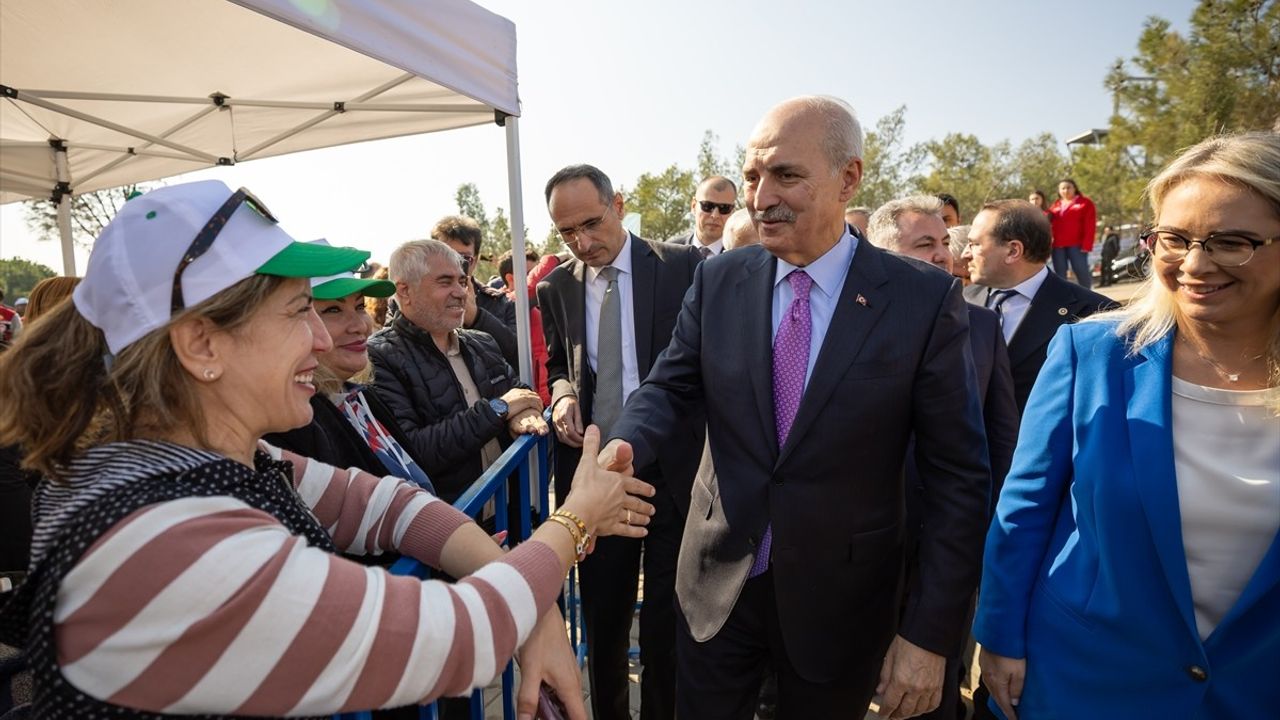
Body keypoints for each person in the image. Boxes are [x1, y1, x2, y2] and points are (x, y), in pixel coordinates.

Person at [0, 180, 656, 719]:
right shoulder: (167, 542)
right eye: (296, 312)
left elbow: (383, 503)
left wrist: (534, 609)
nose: (323, 339)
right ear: (202, 344)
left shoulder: (194, 461)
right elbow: (459, 630)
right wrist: (574, 520)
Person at [598, 96, 990, 720]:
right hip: (716, 586)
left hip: (842, 604)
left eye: (786, 175)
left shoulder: (922, 300)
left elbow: (958, 478)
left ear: (849, 178)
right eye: (752, 176)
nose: (760, 197)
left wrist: (929, 633)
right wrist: (625, 446)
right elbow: (670, 387)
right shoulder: (720, 279)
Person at [976, 132, 1280, 719]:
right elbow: (1025, 506)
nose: (1194, 264)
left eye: (1231, 242)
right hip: (1085, 682)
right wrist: (999, 636)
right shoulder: (1092, 352)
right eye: (1175, 239)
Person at [537, 164, 704, 720]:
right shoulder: (555, 286)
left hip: (676, 472)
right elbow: (560, 360)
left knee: (667, 620)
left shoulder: (684, 267)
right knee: (605, 619)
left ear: (620, 205)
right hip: (597, 476)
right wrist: (561, 394)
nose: (583, 242)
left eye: (591, 223)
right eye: (567, 233)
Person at [866, 196, 1019, 720]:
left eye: (944, 244)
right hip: (858, 549)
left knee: (933, 690)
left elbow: (1002, 444)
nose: (941, 256)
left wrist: (989, 538)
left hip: (943, 548)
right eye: (923, 244)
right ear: (881, 252)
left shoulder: (981, 328)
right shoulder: (845, 325)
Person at [368, 239, 547, 507]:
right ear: (404, 291)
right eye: (444, 282)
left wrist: (523, 413)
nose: (461, 292)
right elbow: (413, 451)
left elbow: (522, 394)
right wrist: (499, 410)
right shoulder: (379, 357)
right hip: (447, 532)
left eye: (462, 282)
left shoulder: (482, 342)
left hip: (508, 516)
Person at [961, 200, 1116, 414]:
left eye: (974, 244)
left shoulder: (1095, 313)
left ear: (1013, 250)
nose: (965, 254)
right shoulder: (960, 301)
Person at [430, 215, 522, 368]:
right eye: (446, 255)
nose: (453, 265)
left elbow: (518, 357)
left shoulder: (502, 303)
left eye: (463, 258)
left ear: (476, 259)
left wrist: (476, 317)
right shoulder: (414, 299)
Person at [498, 248, 552, 406]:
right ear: (510, 278)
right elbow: (527, 291)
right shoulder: (505, 303)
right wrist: (553, 258)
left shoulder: (535, 306)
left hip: (547, 393)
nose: (539, 278)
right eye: (530, 273)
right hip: (531, 398)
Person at [1047, 179, 1097, 289]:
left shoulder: (1085, 203)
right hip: (1058, 246)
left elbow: (1090, 225)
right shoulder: (1055, 205)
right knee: (1060, 275)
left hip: (1077, 245)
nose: (1066, 190)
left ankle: (1088, 298)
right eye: (1062, 188)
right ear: (1059, 191)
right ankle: (1064, 301)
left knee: (1081, 271)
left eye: (1068, 187)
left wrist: (1087, 245)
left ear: (1075, 188)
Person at [673, 176, 738, 257]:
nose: (715, 215)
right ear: (693, 206)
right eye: (707, 206)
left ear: (733, 211)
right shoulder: (668, 253)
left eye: (724, 208)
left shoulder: (743, 258)